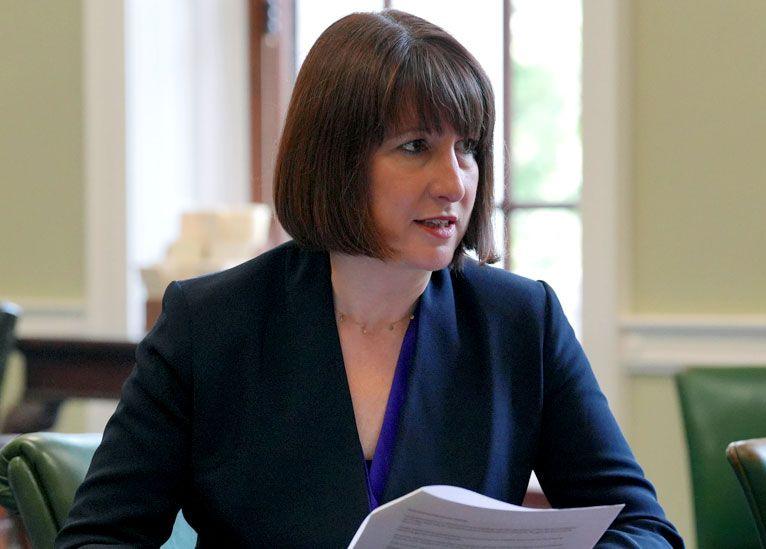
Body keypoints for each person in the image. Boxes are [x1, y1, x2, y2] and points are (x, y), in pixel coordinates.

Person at [58, 10, 682, 548]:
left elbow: (647, 529)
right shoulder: (211, 324)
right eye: (415, 146)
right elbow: (98, 537)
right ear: (334, 159)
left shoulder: (521, 321)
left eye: (467, 147)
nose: (455, 182)